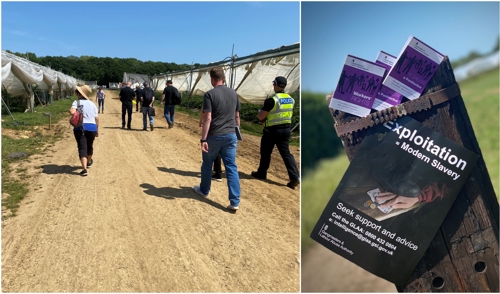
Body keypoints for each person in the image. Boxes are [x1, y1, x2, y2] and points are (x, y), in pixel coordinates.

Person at [194, 67, 241, 211]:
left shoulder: (210, 94)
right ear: (223, 78)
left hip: (214, 135)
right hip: (231, 135)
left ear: (212, 78)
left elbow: (208, 117)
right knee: (231, 167)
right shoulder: (234, 93)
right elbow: (237, 116)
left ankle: (204, 190)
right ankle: (235, 201)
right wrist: (237, 133)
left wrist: (203, 139)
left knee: (207, 164)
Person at [251, 76, 300, 189]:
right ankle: (294, 177)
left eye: (274, 84)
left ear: (275, 84)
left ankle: (262, 173)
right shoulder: (291, 99)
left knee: (266, 152)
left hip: (272, 131)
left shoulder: (272, 100)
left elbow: (261, 116)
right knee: (286, 154)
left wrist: (260, 113)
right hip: (286, 130)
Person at [69, 85, 99, 176]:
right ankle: (89, 162)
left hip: (80, 127)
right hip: (92, 127)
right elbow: (96, 119)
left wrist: (76, 111)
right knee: (89, 146)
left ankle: (84, 169)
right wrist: (97, 129)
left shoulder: (76, 102)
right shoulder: (92, 104)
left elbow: (72, 112)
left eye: (77, 92)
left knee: (82, 147)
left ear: (80, 94)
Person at [199, 108, 223, 182]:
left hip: (213, 127)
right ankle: (217, 171)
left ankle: (216, 173)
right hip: (224, 128)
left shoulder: (210, 97)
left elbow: (204, 111)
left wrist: (201, 120)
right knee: (219, 151)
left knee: (211, 151)